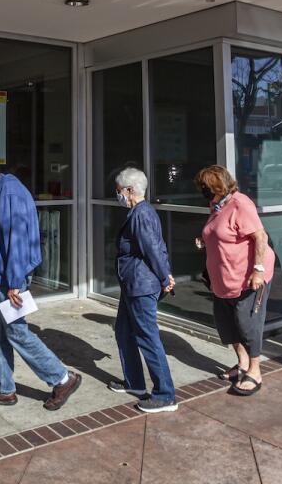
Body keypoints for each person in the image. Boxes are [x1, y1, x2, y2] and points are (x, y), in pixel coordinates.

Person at [0, 158, 82, 410]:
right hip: (5, 274)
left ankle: (62, 378)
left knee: (16, 331)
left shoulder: (11, 195)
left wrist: (14, 283)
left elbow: (17, 241)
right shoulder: (2, 191)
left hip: (11, 276)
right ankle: (3, 388)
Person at [195, 164, 275, 396]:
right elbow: (221, 231)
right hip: (222, 279)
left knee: (247, 324)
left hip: (246, 279)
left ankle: (255, 371)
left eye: (207, 186)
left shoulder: (240, 203)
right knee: (227, 325)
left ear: (220, 185)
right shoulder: (217, 205)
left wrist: (258, 271)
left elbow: (260, 236)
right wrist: (205, 239)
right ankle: (241, 364)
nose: (204, 191)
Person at [110, 167, 177, 413]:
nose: (118, 196)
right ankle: (135, 383)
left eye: (119, 191)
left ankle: (165, 394)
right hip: (132, 284)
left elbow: (152, 248)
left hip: (141, 285)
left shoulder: (141, 214)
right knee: (124, 332)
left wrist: (164, 276)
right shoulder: (140, 212)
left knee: (148, 338)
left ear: (129, 190)